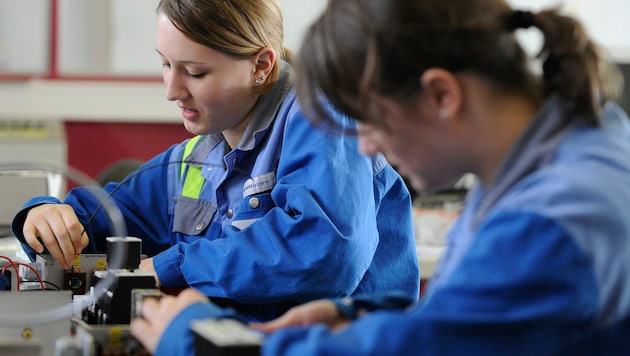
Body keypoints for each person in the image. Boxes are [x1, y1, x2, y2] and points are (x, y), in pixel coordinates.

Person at [129, 0, 630, 354]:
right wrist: (358, 316)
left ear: (440, 95)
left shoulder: (553, 218)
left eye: (367, 119)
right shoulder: (559, 151)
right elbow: (487, 324)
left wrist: (199, 340)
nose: (365, 146)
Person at [11, 0, 420, 322]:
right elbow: (102, 219)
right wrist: (45, 215)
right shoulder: (196, 155)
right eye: (166, 65)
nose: (171, 91)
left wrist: (174, 266)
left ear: (261, 65)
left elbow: (326, 253)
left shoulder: (322, 117)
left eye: (194, 72)